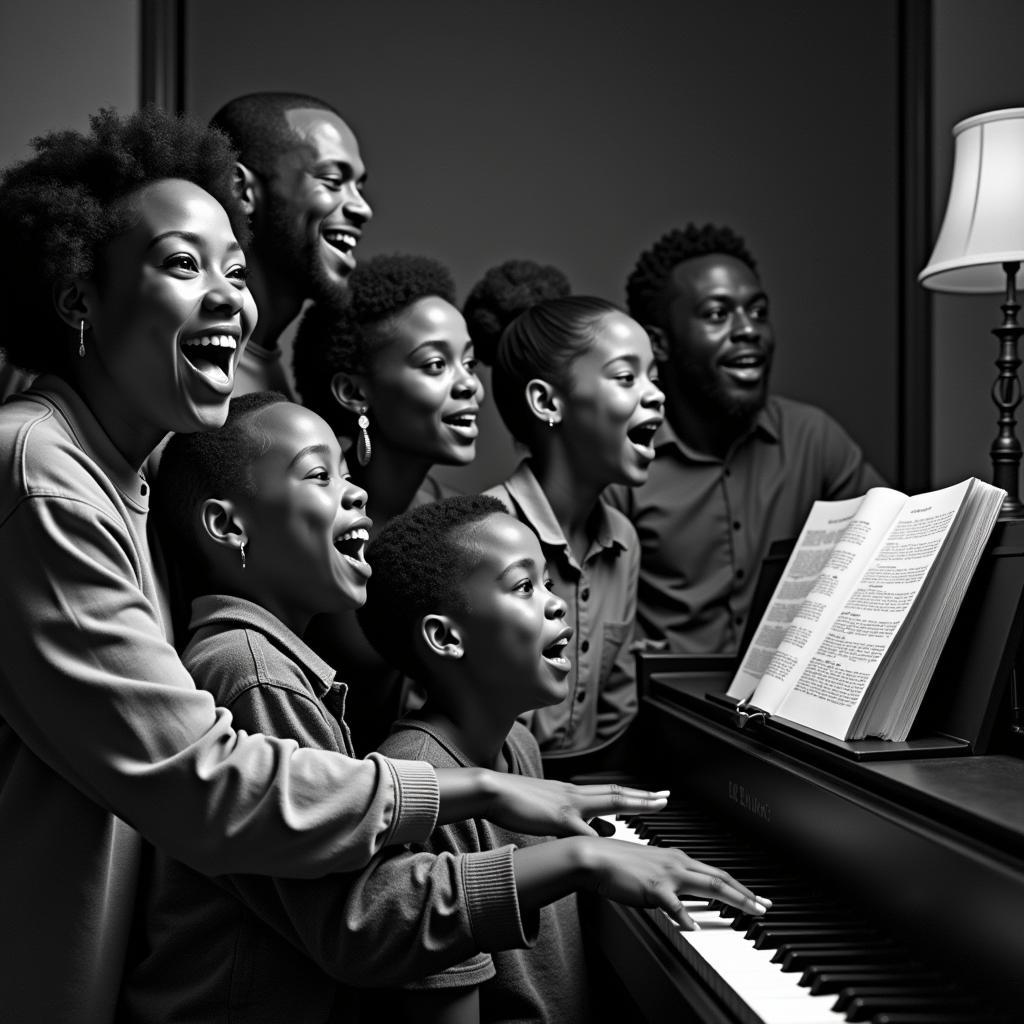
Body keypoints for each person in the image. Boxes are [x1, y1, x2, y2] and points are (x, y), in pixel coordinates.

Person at [0, 107, 669, 1024]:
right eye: (184, 264)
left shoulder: (130, 477)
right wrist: (474, 790)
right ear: (80, 295)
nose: (230, 298)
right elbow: (205, 781)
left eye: (235, 271)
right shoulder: (41, 471)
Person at [124, 398, 769, 1023]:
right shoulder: (256, 676)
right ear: (230, 525)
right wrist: (579, 860)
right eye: (320, 475)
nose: (357, 494)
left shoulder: (270, 667)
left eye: (349, 474)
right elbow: (357, 925)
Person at [363, 495, 772, 1024]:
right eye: (524, 586)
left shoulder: (519, 744)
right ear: (445, 637)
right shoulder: (420, 787)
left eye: (550, 584)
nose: (557, 604)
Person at [606, 223, 885, 655]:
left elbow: (890, 550)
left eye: (757, 311)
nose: (748, 329)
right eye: (718, 314)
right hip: (664, 710)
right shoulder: (621, 460)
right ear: (658, 343)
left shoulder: (813, 437)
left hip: (785, 710)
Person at [464, 260, 665, 777]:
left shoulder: (623, 540)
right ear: (547, 401)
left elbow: (617, 715)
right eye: (626, 376)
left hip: (588, 793)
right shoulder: (480, 534)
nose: (656, 394)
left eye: (654, 376)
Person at [293, 252, 483, 751]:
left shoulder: (447, 516)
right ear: (354, 392)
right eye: (437, 365)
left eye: (469, 361)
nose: (469, 384)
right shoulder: (314, 523)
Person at [209, 91, 373, 397]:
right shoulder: (179, 372)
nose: (363, 208)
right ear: (240, 189)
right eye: (333, 180)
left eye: (358, 188)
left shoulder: (272, 376)